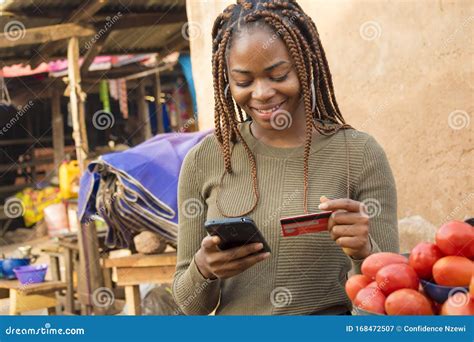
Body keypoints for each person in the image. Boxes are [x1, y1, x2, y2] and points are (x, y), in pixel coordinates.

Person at [172, 0, 398, 315]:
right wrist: (203, 268)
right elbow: (188, 304)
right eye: (243, 81)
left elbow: (393, 294)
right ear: (227, 82)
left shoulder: (359, 154)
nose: (262, 92)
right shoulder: (205, 159)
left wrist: (365, 252)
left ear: (305, 66)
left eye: (278, 75)